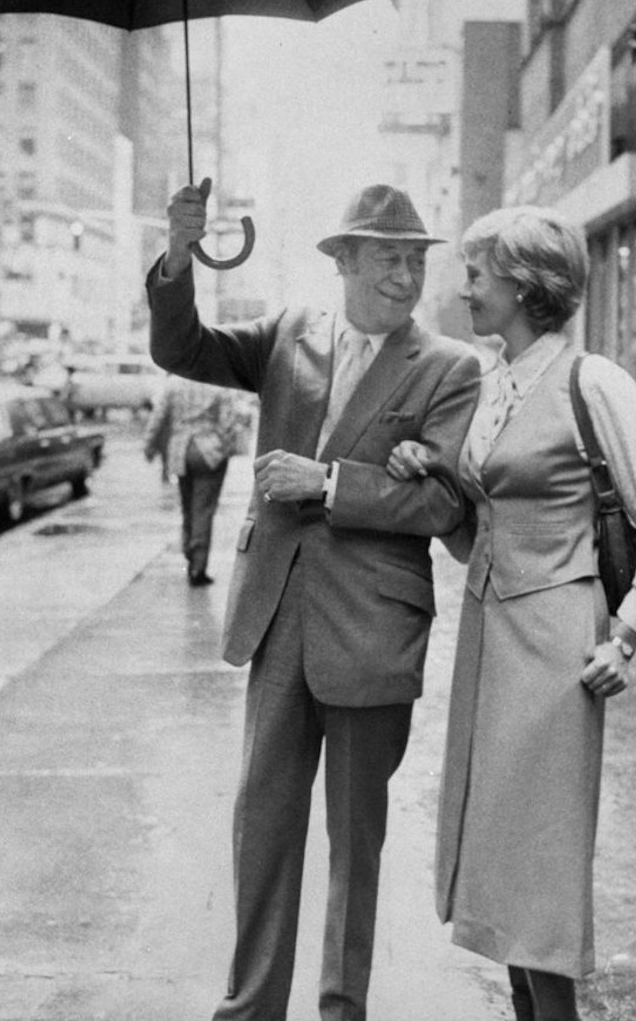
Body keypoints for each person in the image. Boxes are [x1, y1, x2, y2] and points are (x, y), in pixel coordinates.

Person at [146, 178, 480, 1021]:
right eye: (386, 259)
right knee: (263, 830)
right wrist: (179, 254)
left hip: (374, 628)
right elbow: (183, 349)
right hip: (278, 617)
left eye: (414, 260)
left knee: (354, 845)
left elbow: (443, 506)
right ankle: (250, 1007)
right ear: (344, 261)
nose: (404, 277)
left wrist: (330, 482)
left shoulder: (447, 368)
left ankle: (342, 1010)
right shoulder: (291, 334)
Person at [386, 205, 636, 1021]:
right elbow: (473, 531)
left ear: (526, 286)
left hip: (559, 646)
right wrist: (434, 474)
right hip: (491, 637)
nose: (463, 292)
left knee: (540, 880)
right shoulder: (493, 383)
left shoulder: (593, 382)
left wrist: (625, 635)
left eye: (478, 275)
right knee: (498, 871)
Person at [143, 371, 239, 586]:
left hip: (180, 452)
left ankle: (189, 553)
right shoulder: (218, 382)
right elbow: (228, 423)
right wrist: (227, 448)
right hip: (209, 452)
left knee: (187, 507)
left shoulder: (172, 383)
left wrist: (149, 445)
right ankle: (198, 567)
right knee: (203, 509)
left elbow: (158, 416)